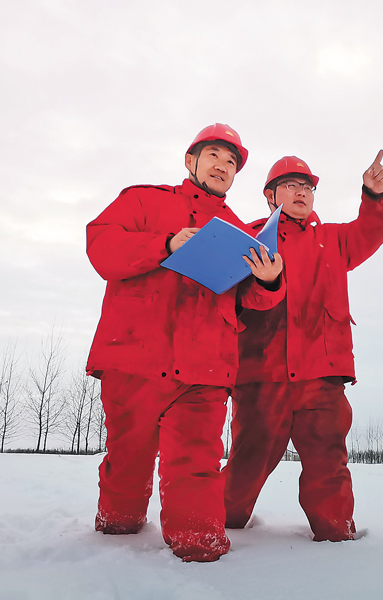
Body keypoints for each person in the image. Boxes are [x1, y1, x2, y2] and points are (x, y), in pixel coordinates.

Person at [85, 123, 285, 562]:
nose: (223, 166)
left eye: (232, 162)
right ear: (191, 160)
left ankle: (200, 549)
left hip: (204, 369)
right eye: (214, 154)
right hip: (135, 357)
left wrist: (269, 282)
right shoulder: (143, 200)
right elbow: (101, 246)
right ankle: (117, 530)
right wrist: (165, 243)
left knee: (196, 464)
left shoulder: (239, 229)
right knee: (127, 460)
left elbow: (247, 297)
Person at [222, 151, 383, 541]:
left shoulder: (333, 239)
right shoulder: (245, 237)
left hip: (321, 372)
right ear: (270, 195)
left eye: (307, 186)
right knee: (249, 460)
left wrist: (374, 194)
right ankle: (220, 523)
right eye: (291, 185)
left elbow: (371, 231)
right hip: (261, 373)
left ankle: (336, 537)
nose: (301, 192)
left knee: (327, 460)